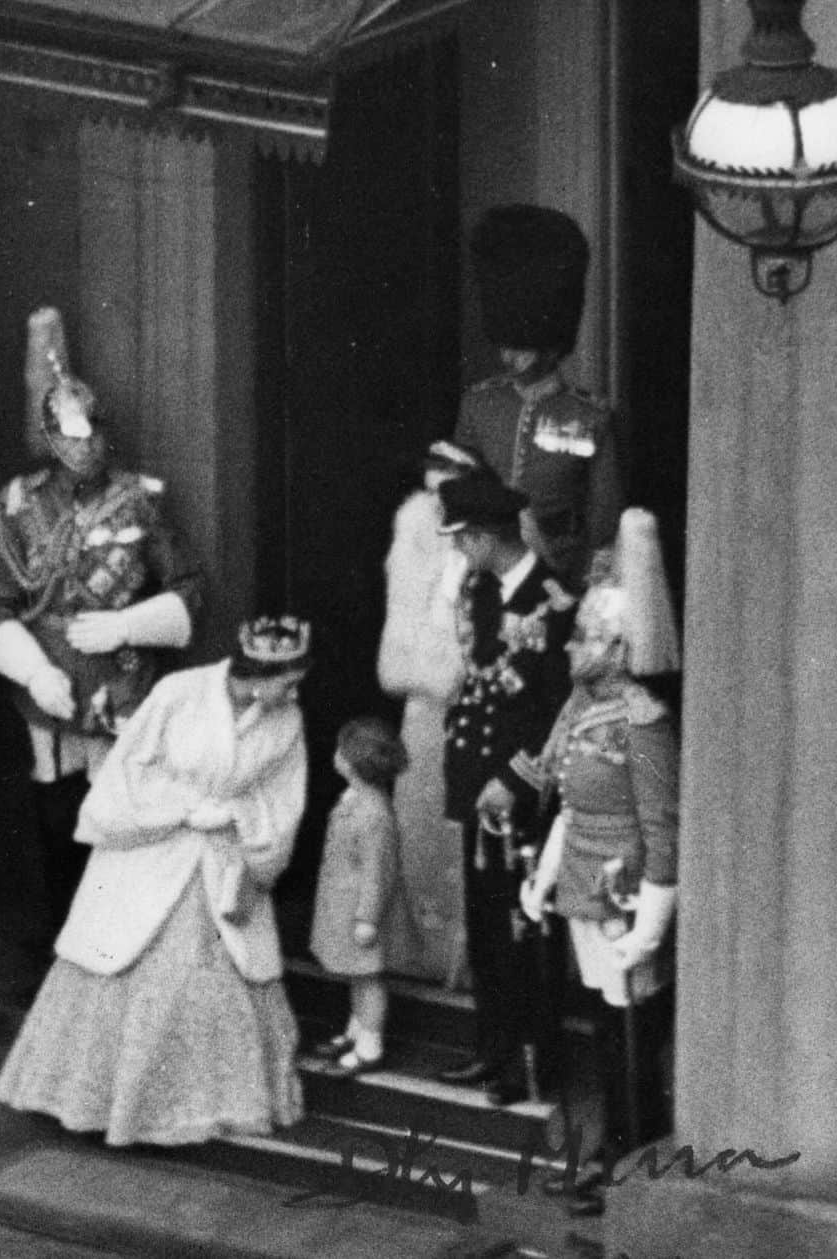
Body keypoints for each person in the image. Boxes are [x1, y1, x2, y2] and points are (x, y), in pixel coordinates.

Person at [0, 615, 311, 1146]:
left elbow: (284, 795)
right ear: (254, 673)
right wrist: (182, 808)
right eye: (288, 680)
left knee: (217, 975)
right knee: (130, 966)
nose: (294, 692)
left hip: (223, 859)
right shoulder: (179, 694)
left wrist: (253, 835)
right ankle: (120, 1109)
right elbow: (128, 770)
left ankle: (202, 1107)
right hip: (151, 851)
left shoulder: (286, 720)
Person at [0, 306, 203, 935]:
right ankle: (66, 954)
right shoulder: (17, 507)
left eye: (92, 432)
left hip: (122, 683)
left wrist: (128, 626)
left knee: (122, 821)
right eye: (72, 435)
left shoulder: (139, 497)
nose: (86, 445)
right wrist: (31, 672)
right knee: (58, 825)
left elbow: (190, 588)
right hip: (49, 691)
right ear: (51, 436)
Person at [518, 508, 680, 1216]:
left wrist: (649, 925)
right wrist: (542, 880)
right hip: (586, 891)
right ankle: (612, 1160)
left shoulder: (643, 721)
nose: (570, 646)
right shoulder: (586, 708)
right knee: (606, 1034)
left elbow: (663, 834)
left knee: (631, 1046)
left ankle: (631, 1170)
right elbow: (574, 812)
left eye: (584, 635)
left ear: (617, 646)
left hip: (624, 903)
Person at [435, 467, 576, 1104]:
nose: (459, 552)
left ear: (488, 536)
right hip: (478, 788)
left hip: (519, 794)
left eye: (462, 538)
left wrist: (514, 781)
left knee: (525, 933)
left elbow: (555, 710)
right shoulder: (483, 591)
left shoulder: (550, 601)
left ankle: (531, 1064)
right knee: (487, 927)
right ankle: (491, 1051)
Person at [454, 204, 623, 591]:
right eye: (505, 344)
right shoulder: (479, 406)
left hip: (558, 573)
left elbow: (603, 524)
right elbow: (460, 495)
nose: (506, 356)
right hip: (489, 572)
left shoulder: (591, 417)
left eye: (521, 346)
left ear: (549, 342)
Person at [375, 440, 476, 984]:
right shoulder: (413, 533)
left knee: (465, 833)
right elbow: (402, 638)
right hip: (424, 703)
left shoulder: (485, 543)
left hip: (475, 705)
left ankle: (464, 959)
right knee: (419, 824)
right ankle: (423, 950)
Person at [309, 716, 409, 1076]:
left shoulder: (373, 813)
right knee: (358, 975)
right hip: (344, 908)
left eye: (341, 750)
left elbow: (377, 873)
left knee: (368, 979)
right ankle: (357, 1029)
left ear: (353, 762)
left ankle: (370, 1044)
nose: (335, 755)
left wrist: (368, 918)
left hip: (360, 913)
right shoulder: (358, 799)